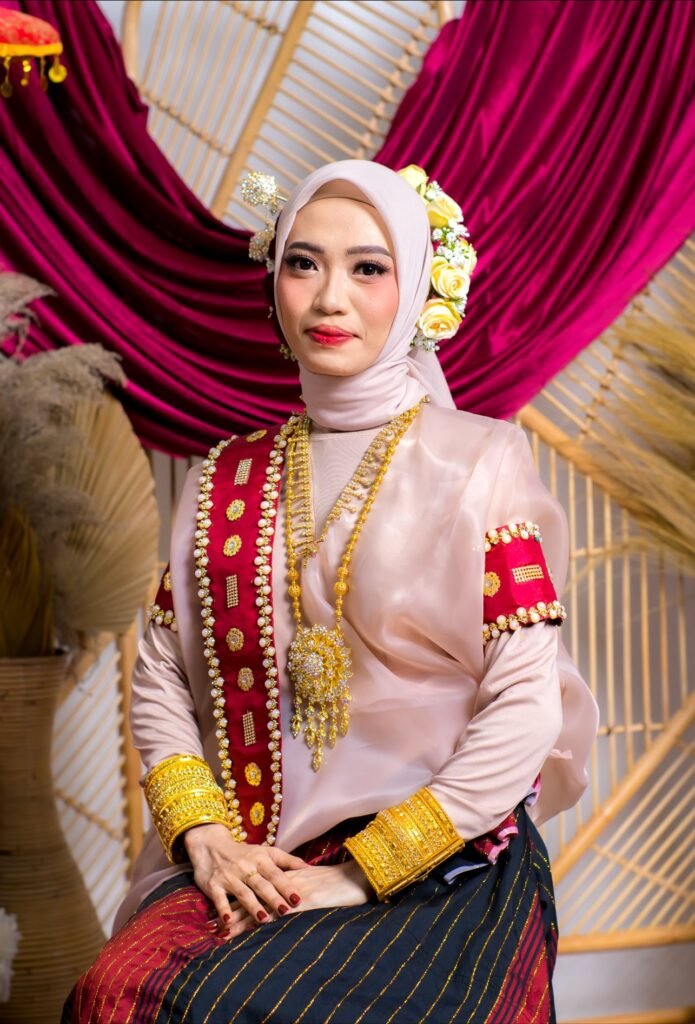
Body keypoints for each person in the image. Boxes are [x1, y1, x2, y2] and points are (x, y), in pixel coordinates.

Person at [62, 160, 598, 1023]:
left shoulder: (478, 461)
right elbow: (161, 677)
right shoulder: (224, 477)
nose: (328, 299)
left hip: (443, 854)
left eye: (368, 268)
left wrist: (358, 873)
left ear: (417, 287)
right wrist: (207, 837)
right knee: (115, 994)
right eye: (303, 264)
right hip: (257, 853)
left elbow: (524, 704)